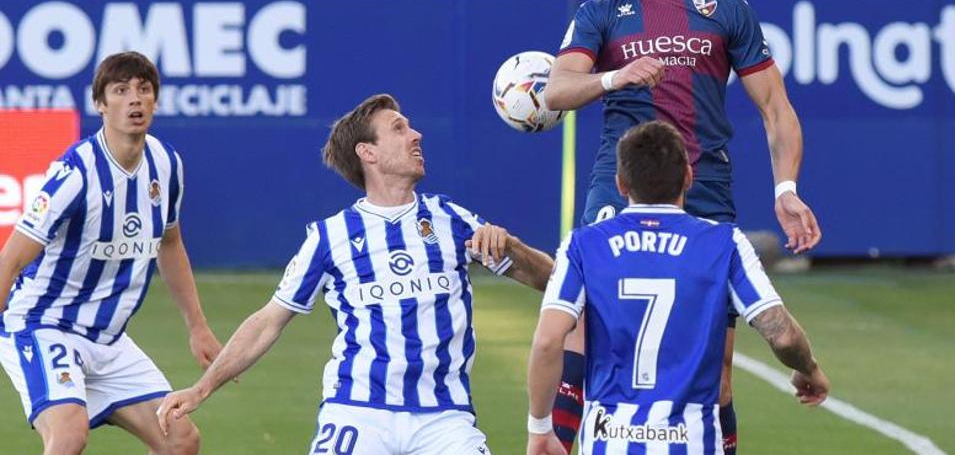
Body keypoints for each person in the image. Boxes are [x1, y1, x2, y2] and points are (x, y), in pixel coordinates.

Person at [543, 0, 822, 453]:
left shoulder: (724, 9)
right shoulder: (598, 13)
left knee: (715, 373)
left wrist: (786, 187)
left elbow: (776, 109)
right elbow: (556, 91)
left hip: (705, 188)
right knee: (584, 335)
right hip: (617, 185)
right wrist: (613, 77)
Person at [155, 93, 555, 455]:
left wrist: (512, 247)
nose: (416, 135)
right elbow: (267, 321)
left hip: (444, 417)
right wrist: (202, 387)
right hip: (357, 412)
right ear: (368, 152)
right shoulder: (330, 237)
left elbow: (551, 283)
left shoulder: (453, 221)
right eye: (398, 129)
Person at [525, 121, 829, 455]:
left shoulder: (583, 245)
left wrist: (540, 428)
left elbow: (547, 341)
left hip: (609, 442)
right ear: (688, 176)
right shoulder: (723, 243)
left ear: (621, 184)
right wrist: (808, 368)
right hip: (693, 443)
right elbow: (782, 334)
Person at [0, 51, 223, 455]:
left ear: (155, 100)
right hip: (43, 323)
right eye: (120, 91)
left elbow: (169, 243)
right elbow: (11, 258)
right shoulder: (76, 174)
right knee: (68, 436)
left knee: (181, 440)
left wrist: (198, 326)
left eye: (143, 89)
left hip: (108, 338)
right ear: (100, 104)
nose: (134, 100)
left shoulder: (166, 164)